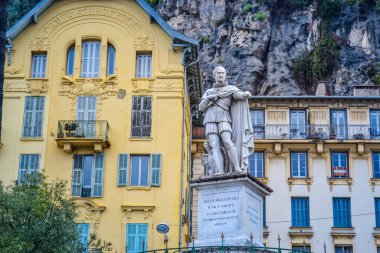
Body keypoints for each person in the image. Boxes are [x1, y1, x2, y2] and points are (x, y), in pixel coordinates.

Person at [199, 66, 254, 174]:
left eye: (222, 73)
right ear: (214, 75)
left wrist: (244, 94)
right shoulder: (209, 92)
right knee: (214, 145)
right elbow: (201, 107)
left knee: (228, 142)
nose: (220, 75)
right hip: (210, 119)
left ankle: (237, 168)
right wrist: (209, 98)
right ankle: (220, 171)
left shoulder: (231, 89)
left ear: (225, 75)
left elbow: (237, 95)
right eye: (218, 73)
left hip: (224, 117)